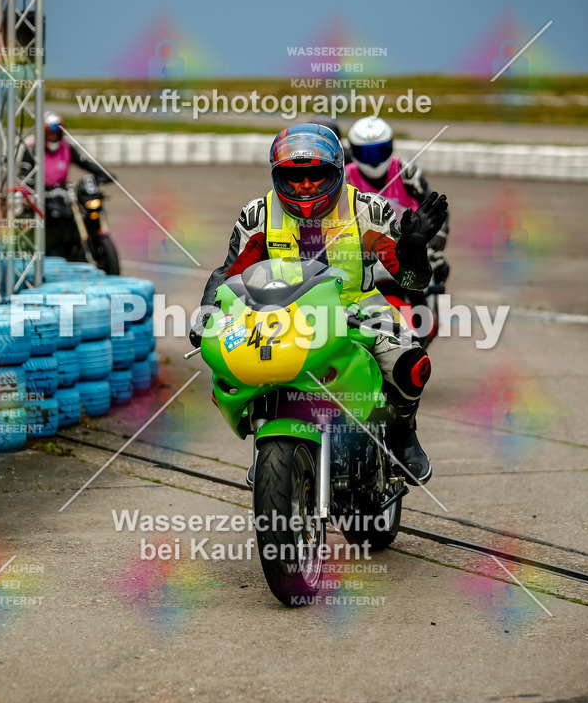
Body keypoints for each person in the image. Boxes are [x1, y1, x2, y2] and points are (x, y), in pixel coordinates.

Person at [189, 122, 448, 485]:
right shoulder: (257, 215)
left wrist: (413, 249)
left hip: (356, 307)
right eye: (294, 176)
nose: (305, 185)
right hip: (276, 312)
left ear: (338, 172)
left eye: (317, 174)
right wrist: (206, 315)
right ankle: (267, 439)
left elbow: (411, 281)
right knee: (228, 367)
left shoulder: (368, 209)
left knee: (410, 363)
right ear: (278, 176)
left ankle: (403, 434)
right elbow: (229, 273)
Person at [345, 117, 449, 287]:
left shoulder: (405, 172)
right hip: (364, 250)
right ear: (353, 151)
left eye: (380, 152)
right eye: (366, 153)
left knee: (438, 269)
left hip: (410, 244)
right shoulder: (345, 177)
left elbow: (434, 207)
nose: (373, 160)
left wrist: (439, 234)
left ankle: (429, 309)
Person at [20, 111, 109, 188]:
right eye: (50, 134)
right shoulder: (32, 149)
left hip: (60, 194)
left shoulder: (66, 148)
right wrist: (34, 183)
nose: (53, 137)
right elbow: (23, 174)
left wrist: (103, 173)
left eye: (56, 134)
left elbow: (84, 163)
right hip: (38, 196)